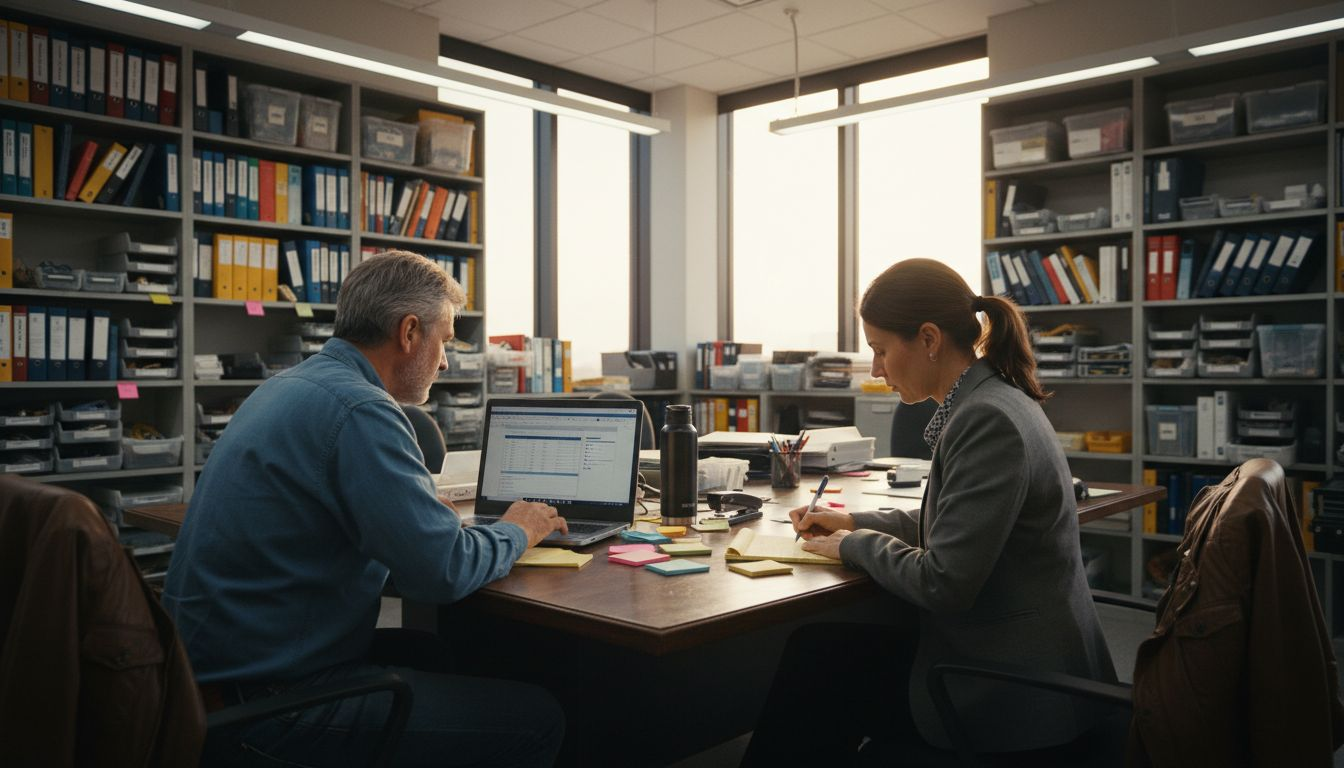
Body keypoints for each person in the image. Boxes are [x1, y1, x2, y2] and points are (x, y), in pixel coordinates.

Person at [164, 250, 567, 767]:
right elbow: (440, 572)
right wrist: (518, 528)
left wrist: (412, 510)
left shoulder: (288, 385)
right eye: (444, 340)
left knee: (434, 654)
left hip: (203, 686)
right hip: (269, 705)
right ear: (408, 332)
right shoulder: (363, 408)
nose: (445, 361)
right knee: (537, 718)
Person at [742, 258, 1116, 765]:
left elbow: (945, 581)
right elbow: (956, 526)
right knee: (821, 653)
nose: (875, 369)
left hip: (1016, 692)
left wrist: (854, 545)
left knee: (817, 667)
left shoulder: (986, 420)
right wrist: (853, 521)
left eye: (879, 350)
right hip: (1023, 663)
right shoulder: (990, 399)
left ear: (929, 339)